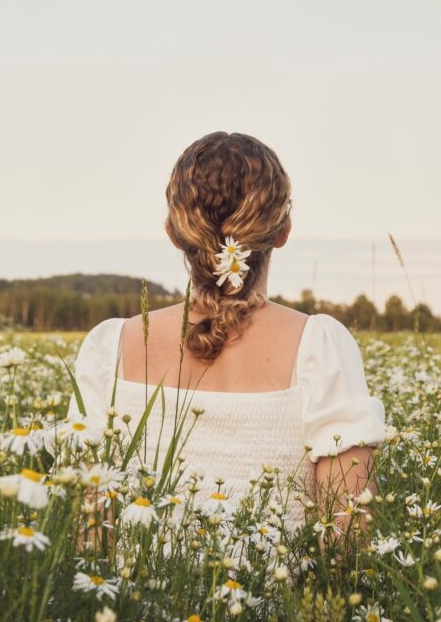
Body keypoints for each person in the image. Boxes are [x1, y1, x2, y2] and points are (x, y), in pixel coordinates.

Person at [68, 131, 386, 535]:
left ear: (173, 232)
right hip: (275, 600)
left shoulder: (109, 348)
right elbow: (349, 537)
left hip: (132, 597)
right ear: (284, 229)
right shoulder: (319, 346)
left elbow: (91, 535)